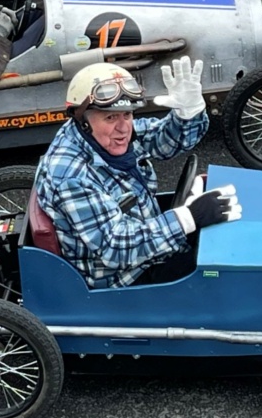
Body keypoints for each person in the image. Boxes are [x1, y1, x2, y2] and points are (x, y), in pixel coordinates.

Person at [35, 57, 242, 289]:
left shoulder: (97, 135)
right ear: (83, 120)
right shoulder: (72, 177)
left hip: (146, 242)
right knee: (228, 273)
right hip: (124, 277)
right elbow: (115, 248)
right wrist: (188, 218)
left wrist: (188, 114)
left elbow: (162, 141)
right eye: (110, 117)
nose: (123, 128)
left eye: (128, 114)